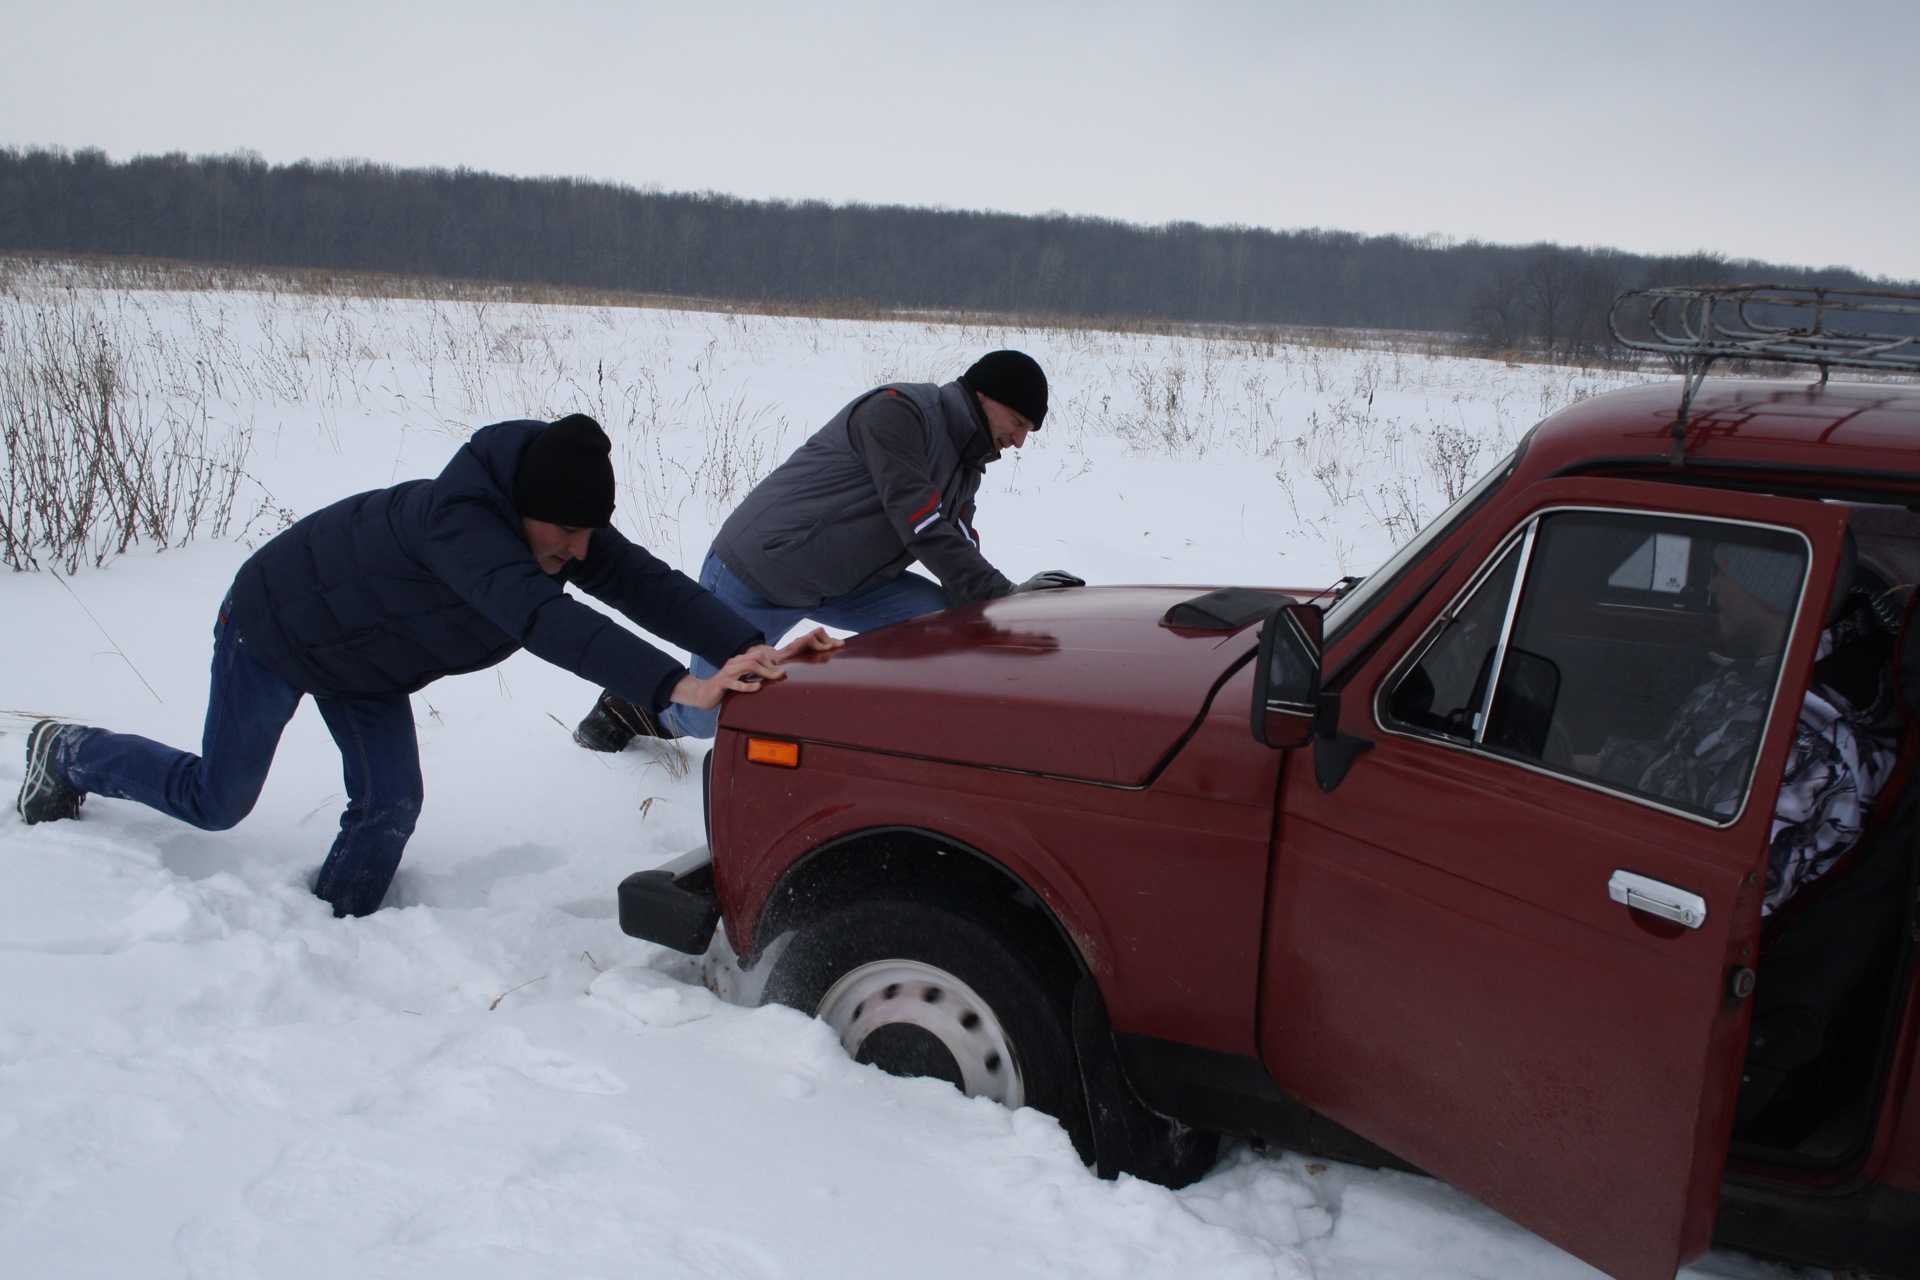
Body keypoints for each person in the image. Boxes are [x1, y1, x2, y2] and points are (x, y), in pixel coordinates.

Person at [13, 414, 840, 917]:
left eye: (590, 537)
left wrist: (743, 645)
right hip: (273, 629)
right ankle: (69, 751)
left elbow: (640, 583)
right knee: (218, 800)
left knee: (389, 806)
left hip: (365, 663)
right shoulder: (461, 530)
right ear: (523, 514)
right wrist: (676, 687)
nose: (581, 554)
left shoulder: (553, 515)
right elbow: (544, 620)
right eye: (569, 538)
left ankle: (326, 926)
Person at [574, 349, 1083, 749]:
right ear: (984, 394)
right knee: (704, 718)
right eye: (1017, 421)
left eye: (1027, 432)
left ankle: (890, 734)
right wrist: (1004, 594)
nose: (1018, 440)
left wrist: (1000, 605)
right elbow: (923, 523)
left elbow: (958, 536)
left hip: (848, 586)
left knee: (950, 624)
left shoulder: (966, 462)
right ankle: (628, 708)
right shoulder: (898, 412)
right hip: (760, 573)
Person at [1589, 541, 1901, 916]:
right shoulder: (1768, 671)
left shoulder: (1807, 744)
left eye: (1725, 570)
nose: (1712, 586)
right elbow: (1688, 764)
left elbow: (1719, 901)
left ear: (1771, 589)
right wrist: (1592, 764)